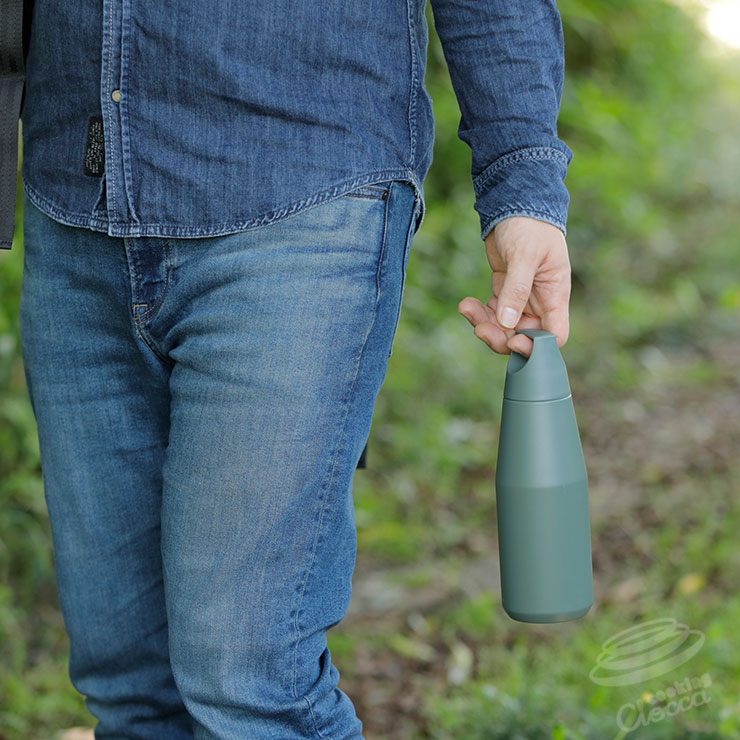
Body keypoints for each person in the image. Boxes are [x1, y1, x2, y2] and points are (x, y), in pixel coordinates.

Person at [16, 0, 573, 738]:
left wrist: (522, 178)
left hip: (301, 195)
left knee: (250, 684)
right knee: (128, 686)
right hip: (75, 199)